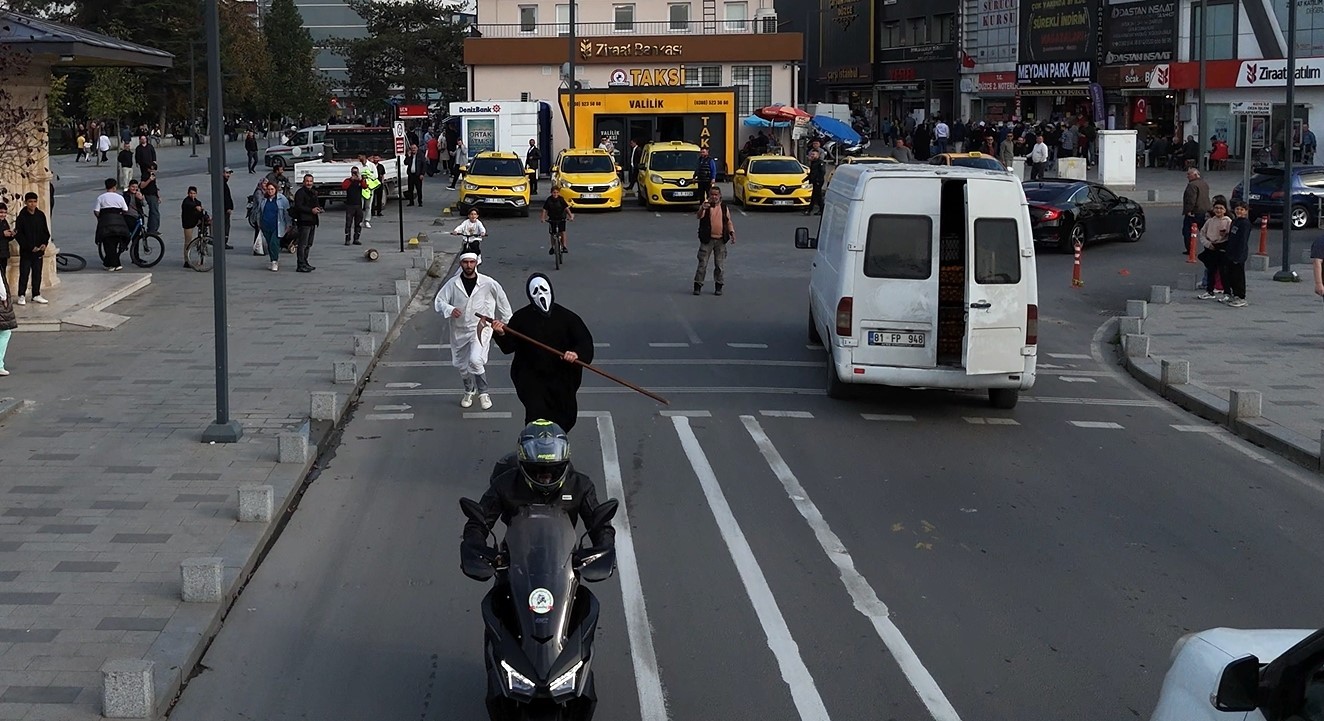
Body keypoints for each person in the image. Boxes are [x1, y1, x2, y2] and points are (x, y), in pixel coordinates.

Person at [460, 421, 616, 579]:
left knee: (585, 602)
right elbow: (479, 521)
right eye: (537, 469)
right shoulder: (504, 484)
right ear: (523, 464)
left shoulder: (580, 485)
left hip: (564, 563)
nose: (546, 477)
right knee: (495, 600)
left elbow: (600, 524)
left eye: (553, 469)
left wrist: (603, 547)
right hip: (515, 561)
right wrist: (477, 547)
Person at [491, 273, 594, 433]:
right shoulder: (520, 318)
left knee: (565, 417)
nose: (540, 294)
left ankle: (558, 447)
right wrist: (500, 333)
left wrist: (575, 354)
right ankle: (536, 451)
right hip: (532, 378)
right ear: (530, 295)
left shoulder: (568, 318)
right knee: (536, 418)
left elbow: (585, 343)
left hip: (562, 378)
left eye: (543, 289)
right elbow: (508, 347)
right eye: (535, 291)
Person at [434, 252, 512, 410]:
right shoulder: (453, 283)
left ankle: (484, 392)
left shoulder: (487, 283)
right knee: (461, 364)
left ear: (476, 263)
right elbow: (439, 300)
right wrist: (450, 309)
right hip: (458, 329)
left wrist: (507, 320)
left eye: (471, 262)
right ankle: (469, 389)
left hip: (480, 328)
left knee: (476, 359)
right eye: (465, 262)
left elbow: (501, 298)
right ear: (461, 264)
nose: (469, 265)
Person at [693, 186, 735, 296]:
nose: (714, 197)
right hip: (707, 240)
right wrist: (703, 208)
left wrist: (732, 233)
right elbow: (698, 216)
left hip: (720, 240)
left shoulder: (724, 207)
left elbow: (728, 221)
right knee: (702, 264)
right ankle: (698, 285)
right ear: (709, 195)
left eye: (716, 195)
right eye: (712, 194)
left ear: (720, 196)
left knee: (719, 265)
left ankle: (719, 286)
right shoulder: (706, 207)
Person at [13, 192, 49, 305]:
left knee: (37, 273)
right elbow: (19, 235)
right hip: (27, 252)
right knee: (24, 273)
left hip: (39, 251)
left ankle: (36, 294)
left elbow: (45, 231)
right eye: (30, 202)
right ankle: (22, 295)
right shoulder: (21, 217)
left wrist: (44, 244)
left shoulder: (40, 215)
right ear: (26, 202)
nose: (32, 204)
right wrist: (29, 247)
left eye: (34, 201)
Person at [93, 178, 132, 271]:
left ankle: (112, 264)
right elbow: (125, 210)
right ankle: (112, 263)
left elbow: (96, 211)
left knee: (108, 244)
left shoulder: (101, 197)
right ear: (114, 187)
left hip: (106, 223)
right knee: (115, 243)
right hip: (119, 223)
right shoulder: (119, 197)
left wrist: (100, 217)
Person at [1196, 199, 1231, 300]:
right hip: (1210, 247)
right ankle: (1209, 291)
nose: (1218, 210)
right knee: (1211, 270)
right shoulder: (1210, 221)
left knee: (1224, 271)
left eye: (1221, 208)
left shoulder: (1228, 221)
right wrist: (1207, 244)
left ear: (1225, 210)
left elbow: (1230, 236)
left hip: (1222, 248)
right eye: (1216, 208)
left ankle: (1227, 293)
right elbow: (1202, 234)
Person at [255, 181, 291, 272]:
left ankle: (275, 261)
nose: (270, 191)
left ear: (276, 190)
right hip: (266, 225)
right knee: (269, 244)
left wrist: (288, 224)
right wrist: (259, 224)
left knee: (274, 243)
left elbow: (287, 213)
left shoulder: (282, 199)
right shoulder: (264, 199)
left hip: (277, 225)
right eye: (268, 189)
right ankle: (272, 260)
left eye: (272, 189)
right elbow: (260, 212)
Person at [1222, 202, 1252, 307]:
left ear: (1246, 211)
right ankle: (1234, 294)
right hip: (1230, 252)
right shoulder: (1235, 221)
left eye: (1242, 209)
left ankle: (1241, 296)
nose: (1239, 211)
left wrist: (1238, 256)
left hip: (1239, 254)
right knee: (1231, 275)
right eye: (1237, 209)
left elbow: (1242, 241)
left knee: (1238, 276)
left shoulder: (1245, 223)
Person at [292, 173, 323, 273]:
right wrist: (311, 210)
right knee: (302, 244)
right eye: (307, 181)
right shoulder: (300, 193)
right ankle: (300, 264)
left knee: (309, 244)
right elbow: (299, 207)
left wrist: (319, 209)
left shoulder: (313, 192)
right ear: (303, 182)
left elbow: (316, 204)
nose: (309, 183)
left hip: (313, 221)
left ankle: (305, 262)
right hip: (304, 222)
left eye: (311, 181)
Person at [1182, 168, 1212, 254]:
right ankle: (1208, 247)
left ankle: (1190, 249)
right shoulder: (1204, 183)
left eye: (1189, 174)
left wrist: (1189, 211)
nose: (1187, 176)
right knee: (1204, 231)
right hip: (1204, 210)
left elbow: (1191, 199)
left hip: (1195, 212)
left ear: (1195, 175)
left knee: (1187, 231)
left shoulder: (1192, 185)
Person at [540, 185, 573, 255]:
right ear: (551, 193)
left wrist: (571, 216)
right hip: (552, 218)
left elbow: (566, 208)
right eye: (554, 193)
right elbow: (544, 210)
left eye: (557, 193)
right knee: (552, 233)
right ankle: (552, 247)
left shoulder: (561, 199)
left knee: (562, 232)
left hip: (561, 218)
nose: (555, 194)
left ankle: (564, 246)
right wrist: (543, 218)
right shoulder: (549, 200)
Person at [180, 186, 206, 269]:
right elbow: (189, 205)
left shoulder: (198, 202)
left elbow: (199, 211)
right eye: (191, 193)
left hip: (196, 221)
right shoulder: (186, 201)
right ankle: (186, 260)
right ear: (188, 194)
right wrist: (196, 207)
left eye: (194, 193)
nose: (192, 195)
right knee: (188, 241)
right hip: (188, 223)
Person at [342, 166, 366, 246]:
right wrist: (351, 180)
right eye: (353, 172)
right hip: (350, 205)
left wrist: (360, 179)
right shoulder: (347, 180)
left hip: (358, 205)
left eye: (356, 172)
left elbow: (365, 186)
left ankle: (356, 239)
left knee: (358, 223)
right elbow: (344, 187)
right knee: (348, 223)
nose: (355, 174)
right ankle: (347, 239)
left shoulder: (360, 181)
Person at [140, 162, 161, 234]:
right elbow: (142, 186)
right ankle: (152, 229)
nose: (153, 171)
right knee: (154, 212)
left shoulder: (153, 175)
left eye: (154, 169)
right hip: (149, 194)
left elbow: (155, 186)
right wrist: (149, 180)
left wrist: (158, 196)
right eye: (151, 169)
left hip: (154, 194)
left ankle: (153, 228)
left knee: (154, 212)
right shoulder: (145, 175)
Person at [804, 149, 825, 216]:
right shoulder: (813, 162)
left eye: (814, 154)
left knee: (815, 196)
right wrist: (806, 179)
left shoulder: (820, 162)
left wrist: (818, 180)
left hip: (818, 181)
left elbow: (822, 172)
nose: (812, 156)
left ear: (818, 155)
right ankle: (821, 210)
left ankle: (810, 210)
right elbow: (812, 173)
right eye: (811, 154)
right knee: (817, 196)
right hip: (814, 181)